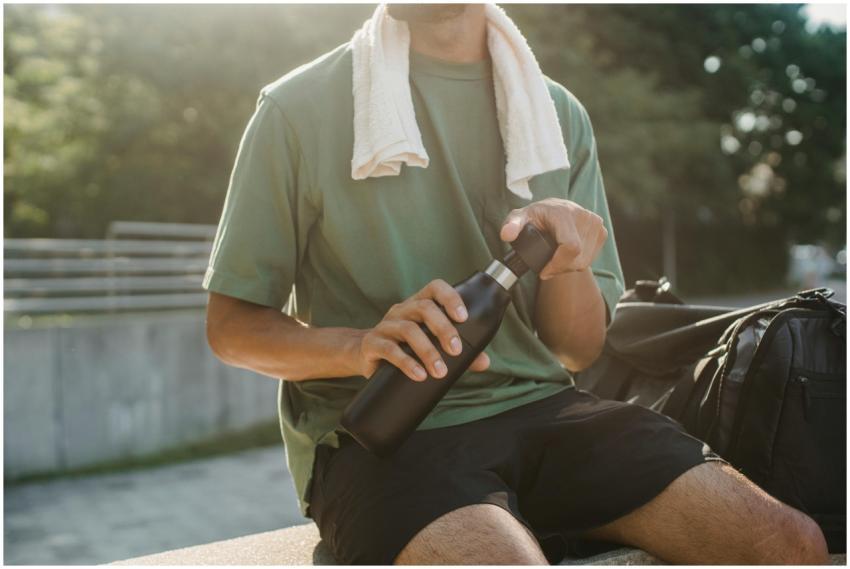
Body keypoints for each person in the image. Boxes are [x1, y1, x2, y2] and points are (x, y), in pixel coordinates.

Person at [203, 4, 829, 565]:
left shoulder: (556, 114)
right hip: (379, 436)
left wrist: (569, 263)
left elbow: (577, 351)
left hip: (547, 410)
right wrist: (361, 346)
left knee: (791, 545)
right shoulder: (296, 109)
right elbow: (232, 328)